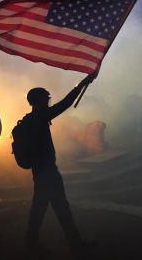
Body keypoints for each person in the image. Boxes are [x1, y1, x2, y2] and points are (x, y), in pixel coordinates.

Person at [24, 74, 95, 254]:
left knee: (42, 207)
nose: (48, 101)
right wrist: (81, 84)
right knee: (59, 207)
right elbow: (65, 103)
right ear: (39, 101)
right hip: (47, 172)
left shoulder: (29, 119)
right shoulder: (40, 117)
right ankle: (74, 244)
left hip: (40, 171)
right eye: (46, 99)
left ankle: (35, 242)